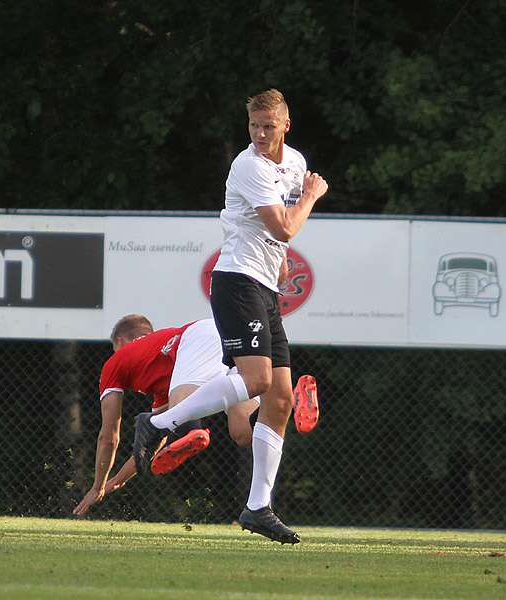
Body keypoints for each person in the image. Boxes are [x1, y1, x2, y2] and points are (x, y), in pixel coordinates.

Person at [133, 89, 328, 544]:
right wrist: (314, 196)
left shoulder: (294, 162)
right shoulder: (249, 165)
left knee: (279, 401)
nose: (259, 134)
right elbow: (285, 225)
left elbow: (277, 234)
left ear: (285, 124)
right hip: (236, 281)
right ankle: (160, 423)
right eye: (253, 125)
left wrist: (278, 262)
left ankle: (258, 507)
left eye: (267, 125)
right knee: (257, 381)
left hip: (264, 287)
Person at [73, 315, 259, 516]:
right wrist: (118, 479)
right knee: (244, 432)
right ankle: (291, 401)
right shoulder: (163, 362)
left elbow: (109, 437)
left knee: (180, 408)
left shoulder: (115, 361)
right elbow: (156, 437)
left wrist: (97, 485)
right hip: (234, 335)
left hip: (204, 335)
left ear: (120, 341)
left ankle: (194, 429)